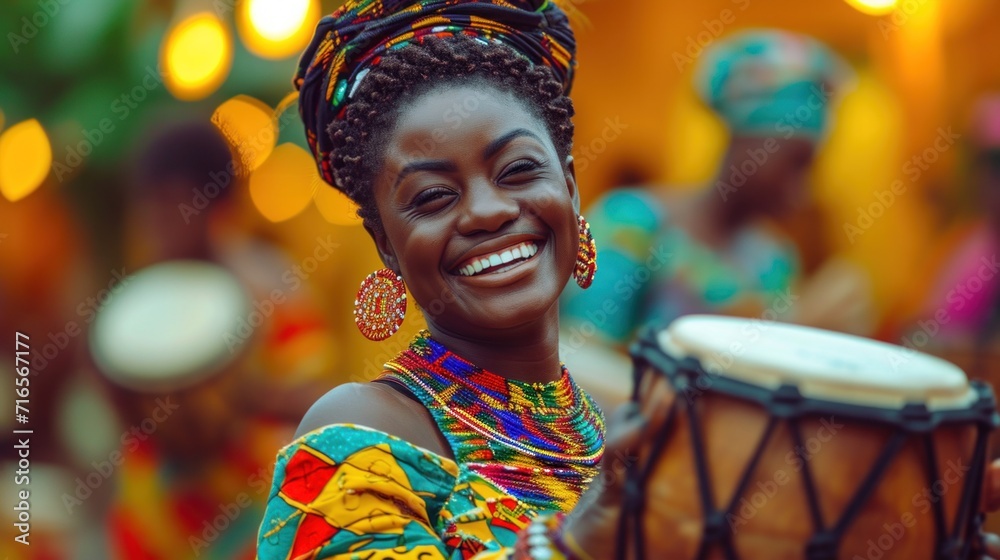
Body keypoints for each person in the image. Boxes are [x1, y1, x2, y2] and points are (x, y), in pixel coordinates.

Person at [256, 3, 1000, 558]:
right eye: (431, 197)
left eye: (519, 171)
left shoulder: (635, 441)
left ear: (572, 192)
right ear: (385, 245)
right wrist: (575, 538)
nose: (488, 211)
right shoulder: (359, 432)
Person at [561, 29, 874, 350]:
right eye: (795, 162)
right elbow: (580, 363)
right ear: (745, 141)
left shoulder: (773, 262)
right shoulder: (631, 223)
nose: (804, 187)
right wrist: (792, 329)